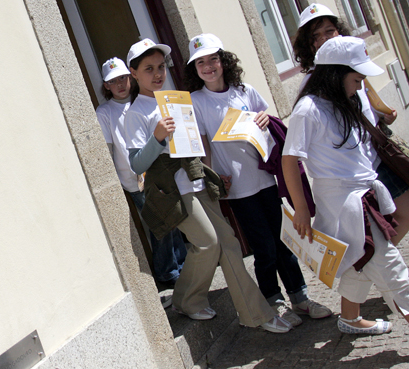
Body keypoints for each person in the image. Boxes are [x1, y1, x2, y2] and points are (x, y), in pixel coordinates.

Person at [122, 38, 290, 333]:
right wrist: (158, 136)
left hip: (196, 181)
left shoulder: (174, 98)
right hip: (173, 191)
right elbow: (137, 165)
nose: (157, 74)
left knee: (226, 243)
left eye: (161, 67)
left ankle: (238, 310)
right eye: (148, 69)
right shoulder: (135, 112)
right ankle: (200, 301)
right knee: (212, 241)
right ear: (134, 73)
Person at [185, 33, 331, 327]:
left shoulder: (245, 91)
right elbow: (203, 145)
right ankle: (273, 301)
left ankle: (300, 298)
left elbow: (266, 119)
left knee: (283, 242)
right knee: (262, 248)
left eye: (213, 59)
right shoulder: (196, 102)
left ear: (223, 61)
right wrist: (213, 179)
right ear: (195, 69)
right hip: (236, 189)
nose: (208, 66)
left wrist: (264, 118)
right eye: (201, 62)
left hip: (265, 180)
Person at [283, 35, 409, 334]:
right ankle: (352, 319)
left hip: (363, 195)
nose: (361, 83)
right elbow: (290, 159)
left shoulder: (346, 101)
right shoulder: (308, 110)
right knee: (392, 269)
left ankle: (350, 319)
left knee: (362, 257)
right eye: (356, 77)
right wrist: (301, 208)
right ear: (336, 74)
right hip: (346, 203)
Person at [293, 3, 409, 245]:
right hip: (357, 169)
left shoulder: (349, 64)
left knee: (396, 218)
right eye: (315, 36)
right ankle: (376, 263)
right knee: (391, 221)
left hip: (376, 156)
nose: (324, 39)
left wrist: (382, 115)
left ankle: (378, 261)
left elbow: (365, 98)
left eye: (329, 31)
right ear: (308, 44)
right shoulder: (317, 83)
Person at [96, 56, 187, 287]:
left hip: (158, 173)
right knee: (159, 226)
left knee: (173, 219)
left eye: (123, 78)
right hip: (134, 180)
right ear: (106, 85)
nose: (120, 84)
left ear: (131, 77)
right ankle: (167, 273)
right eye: (113, 81)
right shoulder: (105, 113)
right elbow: (107, 149)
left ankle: (183, 264)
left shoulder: (142, 102)